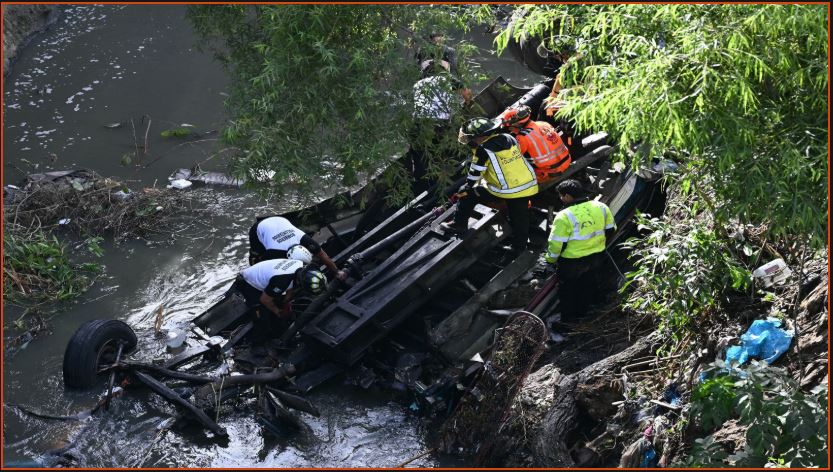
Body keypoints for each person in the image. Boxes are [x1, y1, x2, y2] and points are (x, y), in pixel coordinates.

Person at [440, 117, 539, 258]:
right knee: (520, 218)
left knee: (465, 193)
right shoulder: (508, 137)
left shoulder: (482, 149)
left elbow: (473, 176)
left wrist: (466, 187)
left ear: (480, 137)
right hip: (528, 185)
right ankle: (519, 248)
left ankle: (459, 224)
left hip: (506, 190)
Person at [543, 179, 616, 324]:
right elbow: (611, 230)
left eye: (561, 196)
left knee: (568, 294)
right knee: (588, 285)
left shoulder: (564, 216)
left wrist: (550, 261)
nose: (561, 199)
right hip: (597, 257)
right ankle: (586, 314)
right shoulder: (600, 206)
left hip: (572, 263)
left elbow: (556, 245)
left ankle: (568, 323)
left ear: (568, 196)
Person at [407, 58, 472, 194]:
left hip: (417, 124)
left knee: (419, 156)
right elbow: (466, 93)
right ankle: (442, 181)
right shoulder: (446, 79)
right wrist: (467, 104)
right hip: (437, 125)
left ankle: (420, 184)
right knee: (442, 150)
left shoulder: (417, 84)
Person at [230, 258, 327, 336]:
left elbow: (292, 288)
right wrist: (278, 312)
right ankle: (257, 345)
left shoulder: (301, 265)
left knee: (278, 301)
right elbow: (265, 300)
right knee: (262, 318)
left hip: (267, 276)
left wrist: (286, 302)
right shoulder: (282, 281)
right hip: (249, 283)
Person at [249, 216, 345, 279]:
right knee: (257, 256)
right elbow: (271, 271)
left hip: (280, 220)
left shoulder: (305, 240)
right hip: (260, 227)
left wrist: (336, 271)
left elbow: (322, 255)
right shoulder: (274, 253)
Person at [499, 104, 571, 184]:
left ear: (516, 124)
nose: (510, 130)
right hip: (566, 161)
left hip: (550, 172)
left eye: (509, 127)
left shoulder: (522, 137)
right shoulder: (543, 124)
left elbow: (514, 158)